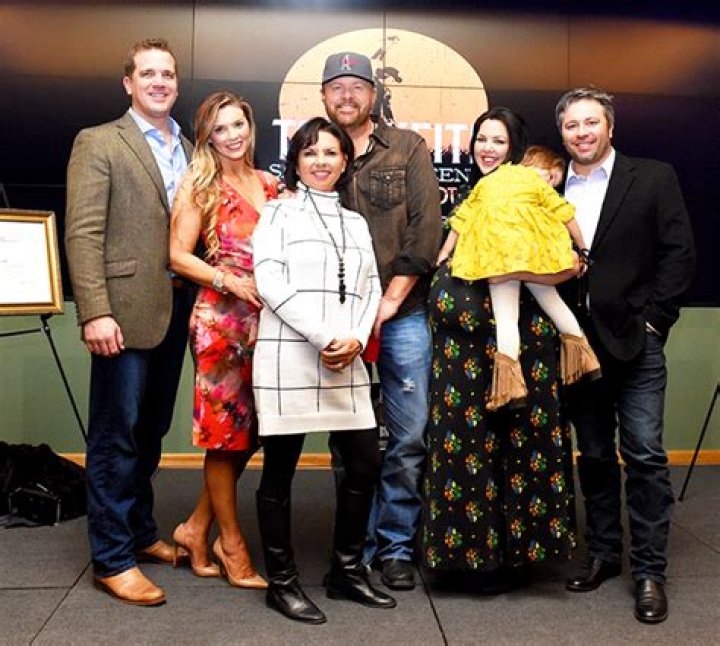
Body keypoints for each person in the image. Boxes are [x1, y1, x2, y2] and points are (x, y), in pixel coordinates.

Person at [422, 107, 578, 588]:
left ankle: (516, 560)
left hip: (519, 355)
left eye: (498, 141)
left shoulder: (531, 196)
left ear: (515, 148)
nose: (487, 149)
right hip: (459, 361)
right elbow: (448, 248)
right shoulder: (470, 197)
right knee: (463, 449)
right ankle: (464, 559)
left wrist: (525, 269)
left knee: (519, 448)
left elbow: (567, 261)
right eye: (481, 139)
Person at [556, 87, 695, 624]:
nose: (582, 133)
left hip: (637, 342)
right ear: (562, 132)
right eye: (572, 125)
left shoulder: (653, 177)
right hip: (577, 345)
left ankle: (650, 571)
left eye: (591, 122)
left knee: (644, 455)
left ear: (610, 127)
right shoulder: (550, 186)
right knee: (593, 455)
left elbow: (679, 254)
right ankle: (603, 554)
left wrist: (656, 323)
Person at [65, 37, 193, 605]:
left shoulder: (188, 147)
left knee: (150, 432)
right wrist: (95, 311)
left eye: (167, 74)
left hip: (175, 308)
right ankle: (113, 558)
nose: (159, 82)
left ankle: (140, 533)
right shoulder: (98, 141)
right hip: (121, 310)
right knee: (115, 437)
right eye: (148, 74)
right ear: (128, 83)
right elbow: (82, 233)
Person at [252, 117, 395, 624]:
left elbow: (371, 287)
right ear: (295, 160)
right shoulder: (277, 212)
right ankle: (282, 583)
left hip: (346, 357)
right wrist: (324, 337)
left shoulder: (355, 222)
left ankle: (346, 572)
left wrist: (354, 338)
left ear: (345, 161)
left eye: (331, 152)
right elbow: (269, 282)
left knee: (364, 464)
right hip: (289, 354)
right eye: (310, 152)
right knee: (279, 472)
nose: (320, 161)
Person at [320, 51, 442, 591]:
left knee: (409, 436)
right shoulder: (317, 151)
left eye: (357, 86)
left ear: (373, 94)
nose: (347, 95)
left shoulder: (408, 147)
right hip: (339, 323)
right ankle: (356, 546)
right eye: (337, 87)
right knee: (349, 441)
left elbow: (426, 230)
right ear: (324, 96)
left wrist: (390, 301)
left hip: (402, 315)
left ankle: (395, 547)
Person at [169, 91, 277, 589]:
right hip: (222, 323)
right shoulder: (200, 185)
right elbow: (177, 256)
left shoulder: (270, 183)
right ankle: (230, 546)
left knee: (251, 433)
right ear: (207, 137)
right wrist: (227, 280)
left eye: (238, 125)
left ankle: (195, 527)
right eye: (221, 129)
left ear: (250, 127)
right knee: (223, 434)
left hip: (268, 322)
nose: (232, 136)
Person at [436, 138, 600, 411]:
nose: (552, 185)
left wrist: (444, 254)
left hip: (497, 259)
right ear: (539, 167)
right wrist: (582, 248)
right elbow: (566, 214)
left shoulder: (488, 181)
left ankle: (509, 388)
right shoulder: (534, 182)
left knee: (506, 320)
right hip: (535, 256)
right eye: (552, 178)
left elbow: (460, 221)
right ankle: (585, 359)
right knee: (553, 302)